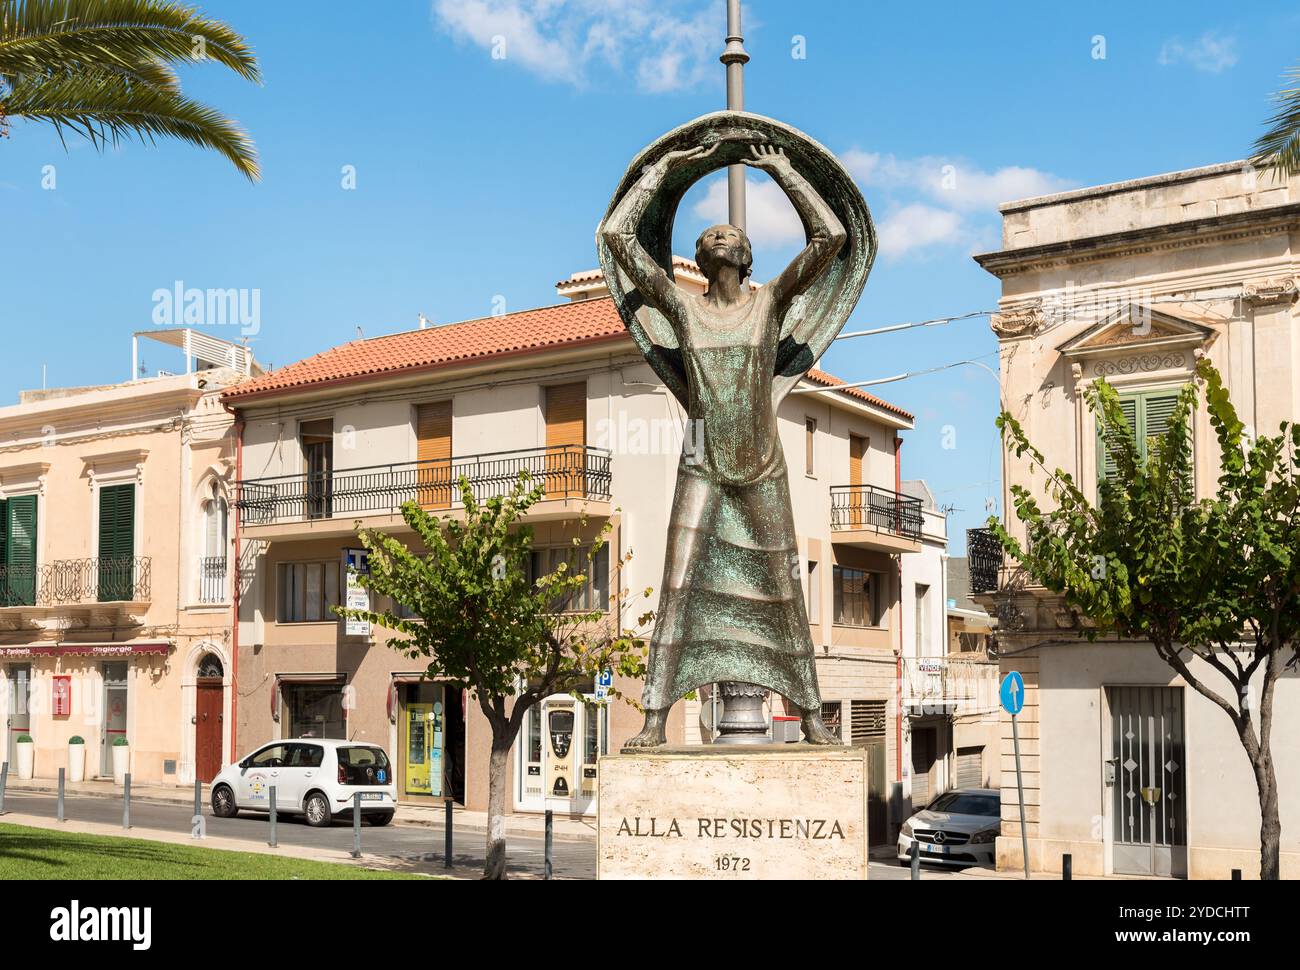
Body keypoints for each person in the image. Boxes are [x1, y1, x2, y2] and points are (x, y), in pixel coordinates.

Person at [599, 137, 847, 747]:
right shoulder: (682, 310)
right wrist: (666, 170)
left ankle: (812, 716)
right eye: (707, 234)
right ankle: (656, 718)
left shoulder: (769, 305)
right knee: (678, 578)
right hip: (701, 458)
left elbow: (832, 240)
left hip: (761, 463)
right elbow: (616, 239)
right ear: (700, 256)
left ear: (745, 254)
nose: (717, 235)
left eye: (727, 233)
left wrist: (785, 172)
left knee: (785, 585)